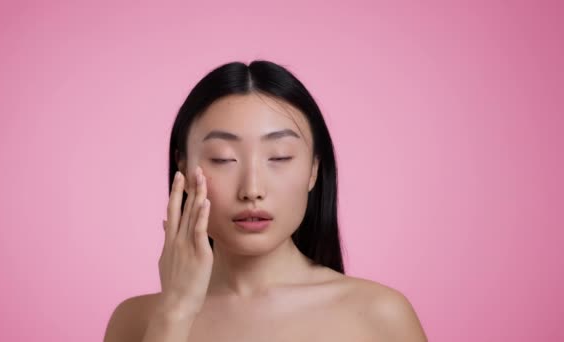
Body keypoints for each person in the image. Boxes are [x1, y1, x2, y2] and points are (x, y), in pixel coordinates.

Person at [103, 60, 427, 341]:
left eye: (280, 157)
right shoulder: (137, 320)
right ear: (184, 170)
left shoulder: (379, 315)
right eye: (222, 159)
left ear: (313, 170)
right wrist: (175, 312)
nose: (252, 189)